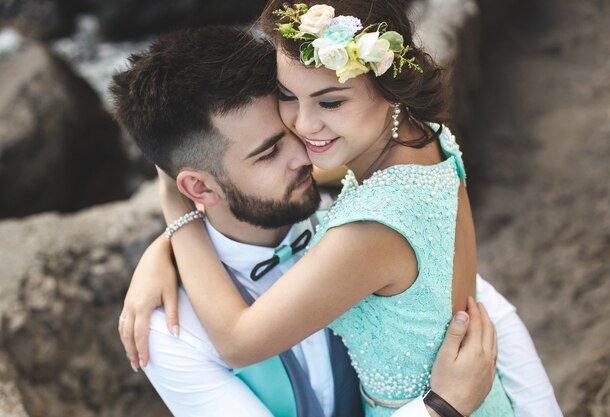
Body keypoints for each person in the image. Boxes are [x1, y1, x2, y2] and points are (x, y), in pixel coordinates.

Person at [112, 24, 560, 417]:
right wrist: (438, 409)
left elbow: (476, 310)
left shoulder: (347, 218)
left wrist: (177, 225)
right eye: (270, 151)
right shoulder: (171, 333)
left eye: (297, 121)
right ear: (200, 189)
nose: (305, 148)